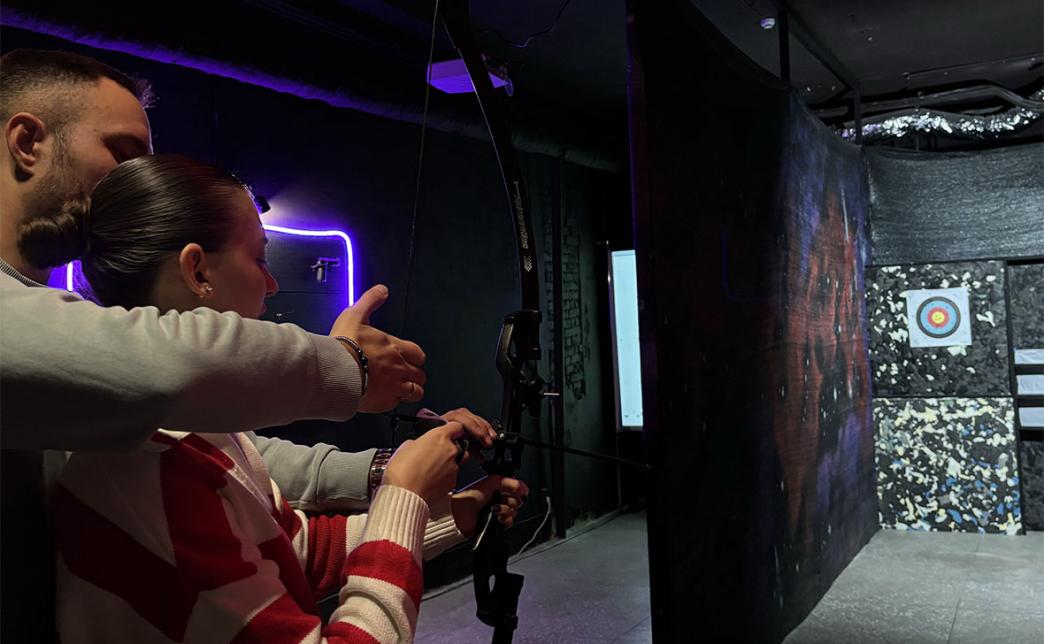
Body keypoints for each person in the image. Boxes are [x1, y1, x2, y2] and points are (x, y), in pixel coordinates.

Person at [0, 49, 509, 639]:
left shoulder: (125, 401)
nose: (136, 180)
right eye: (124, 153)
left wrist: (413, 490)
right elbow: (165, 374)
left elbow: (249, 491)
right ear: (27, 142)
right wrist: (352, 371)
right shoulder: (136, 450)